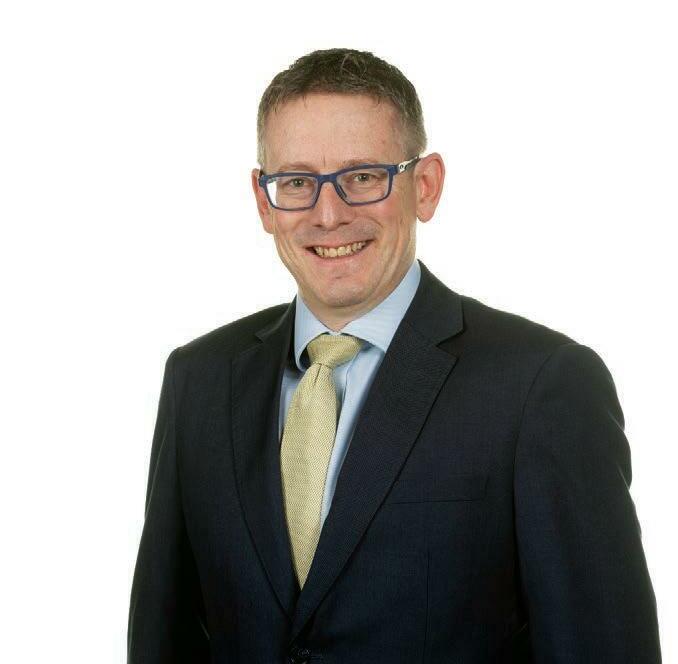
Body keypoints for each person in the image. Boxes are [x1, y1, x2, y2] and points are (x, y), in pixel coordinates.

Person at [127, 48, 662, 663]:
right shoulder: (198, 380)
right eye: (297, 182)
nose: (329, 214)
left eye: (362, 177)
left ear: (425, 187)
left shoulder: (540, 385)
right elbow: (162, 640)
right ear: (263, 200)